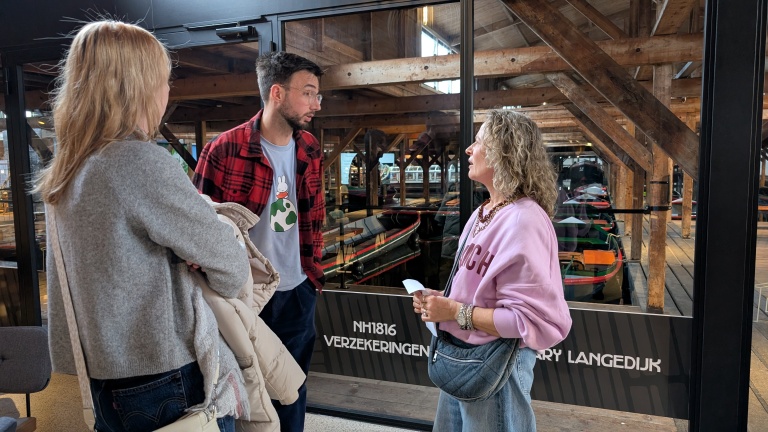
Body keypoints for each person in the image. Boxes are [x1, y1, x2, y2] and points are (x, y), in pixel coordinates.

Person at [34, 21, 252, 432]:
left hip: (104, 375)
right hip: (165, 374)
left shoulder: (67, 170)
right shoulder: (137, 162)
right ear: (139, 86)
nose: (167, 91)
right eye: (164, 80)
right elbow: (231, 268)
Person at [412, 109, 572, 431]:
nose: (468, 149)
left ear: (504, 152)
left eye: (479, 141)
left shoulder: (524, 220)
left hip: (497, 367)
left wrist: (454, 312)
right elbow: (480, 292)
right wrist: (441, 300)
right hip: (463, 357)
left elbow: (527, 321)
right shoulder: (483, 212)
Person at [193, 51, 325, 432]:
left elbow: (315, 217)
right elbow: (199, 229)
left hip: (298, 291)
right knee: (243, 393)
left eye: (317, 95)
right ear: (277, 93)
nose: (316, 104)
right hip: (245, 296)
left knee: (292, 390)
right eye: (308, 93)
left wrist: (312, 275)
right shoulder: (224, 150)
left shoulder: (310, 148)